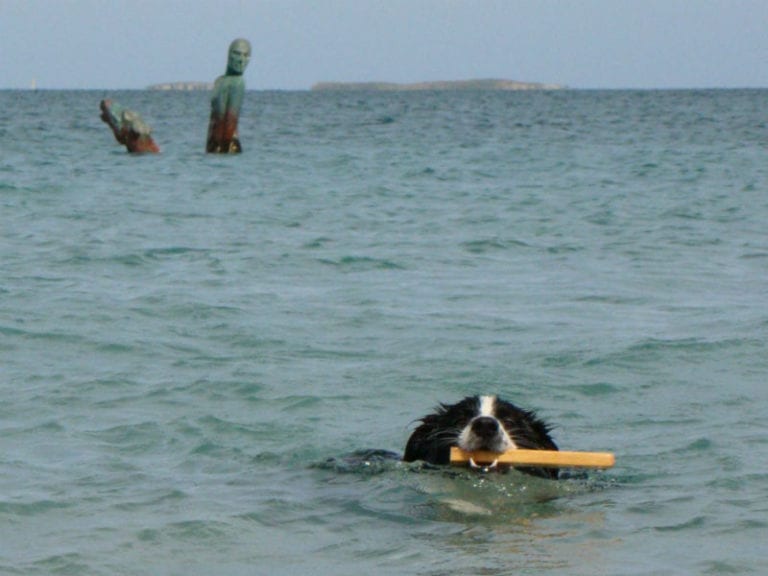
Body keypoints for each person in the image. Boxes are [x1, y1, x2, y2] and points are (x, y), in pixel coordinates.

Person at [206, 38, 251, 153]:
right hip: (214, 145)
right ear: (229, 55)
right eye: (237, 54)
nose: (241, 60)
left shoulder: (238, 83)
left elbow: (231, 121)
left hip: (228, 145)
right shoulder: (220, 81)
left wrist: (223, 150)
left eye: (246, 55)